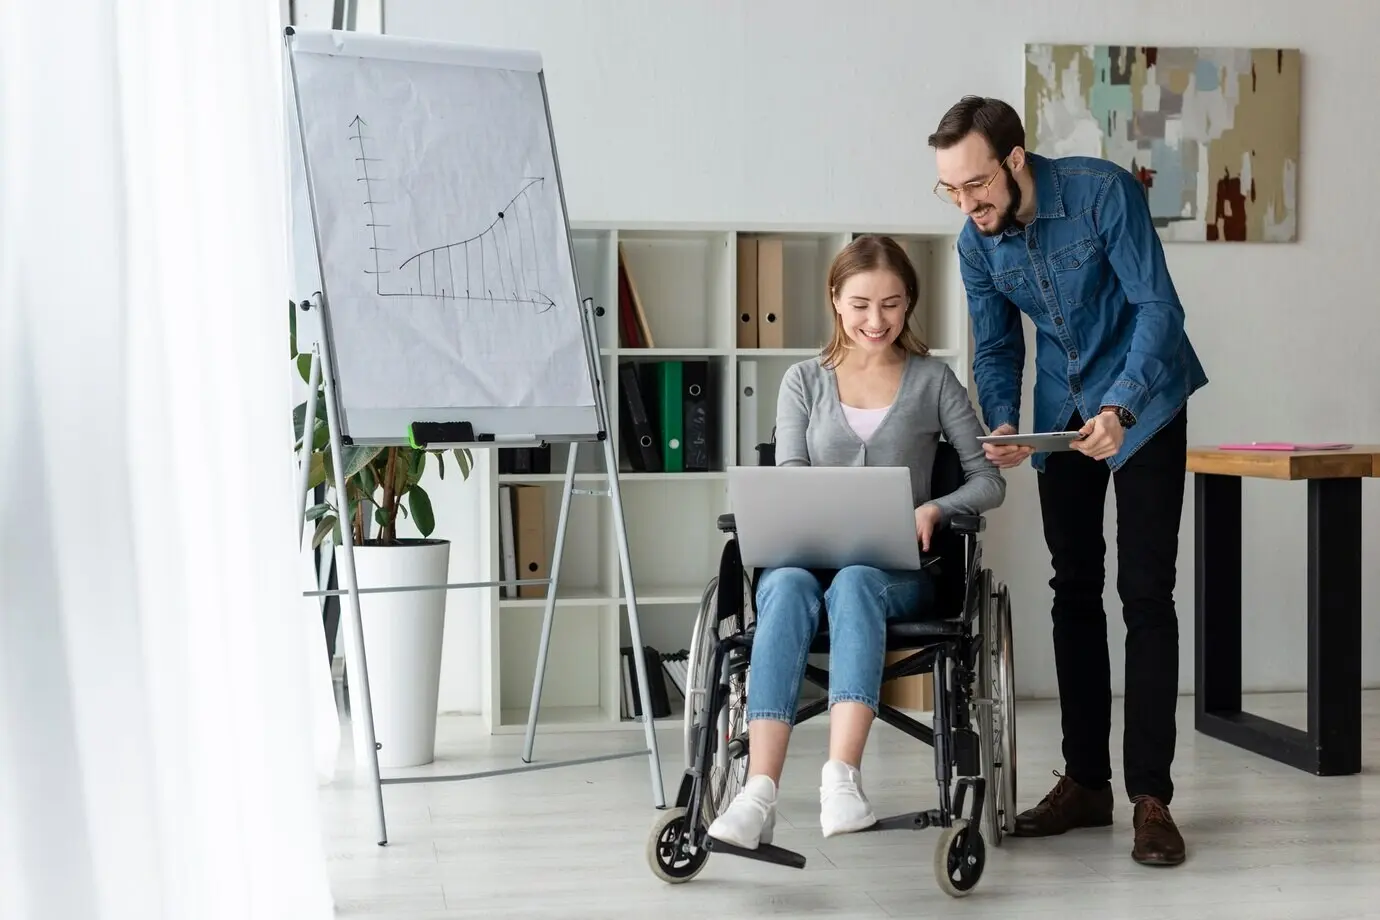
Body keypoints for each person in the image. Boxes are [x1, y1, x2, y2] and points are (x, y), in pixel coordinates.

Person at [927, 96, 1209, 867]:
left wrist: (1121, 405)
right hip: (1060, 408)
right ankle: (1086, 783)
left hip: (1144, 404)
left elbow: (1159, 307)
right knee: (1072, 590)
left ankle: (1151, 797)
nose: (967, 204)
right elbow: (995, 347)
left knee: (1146, 593)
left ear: (1015, 159)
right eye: (950, 190)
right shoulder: (974, 241)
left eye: (975, 185)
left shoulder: (1100, 192)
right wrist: (1004, 423)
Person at [707, 235, 1006, 850]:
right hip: (806, 565)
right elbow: (789, 474)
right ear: (836, 302)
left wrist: (936, 507)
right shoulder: (803, 381)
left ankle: (841, 780)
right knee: (784, 584)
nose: (877, 321)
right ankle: (756, 792)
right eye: (862, 304)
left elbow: (988, 480)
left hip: (897, 575)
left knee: (855, 582)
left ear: (909, 303)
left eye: (892, 305)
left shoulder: (933, 380)